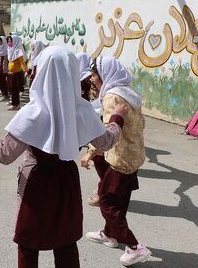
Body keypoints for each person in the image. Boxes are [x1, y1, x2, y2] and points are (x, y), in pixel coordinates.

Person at [0, 45, 128, 268]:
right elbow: (106, 141)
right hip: (66, 181)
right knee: (65, 242)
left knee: (29, 244)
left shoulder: (33, 112)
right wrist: (117, 119)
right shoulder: (82, 110)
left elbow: (4, 153)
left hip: (35, 182)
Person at [81, 55, 151, 267]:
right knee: (119, 201)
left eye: (94, 74)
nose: (92, 79)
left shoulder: (112, 98)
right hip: (133, 157)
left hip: (119, 159)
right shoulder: (130, 94)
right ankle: (109, 235)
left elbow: (107, 133)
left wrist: (90, 153)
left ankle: (135, 246)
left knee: (106, 201)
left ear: (105, 75)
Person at [6, 35, 27, 111]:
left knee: (14, 89)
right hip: (12, 73)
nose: (9, 43)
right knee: (12, 89)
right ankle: (15, 104)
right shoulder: (10, 49)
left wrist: (25, 71)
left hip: (17, 73)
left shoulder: (17, 51)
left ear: (15, 41)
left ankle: (16, 105)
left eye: (11, 41)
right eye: (8, 41)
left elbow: (22, 62)